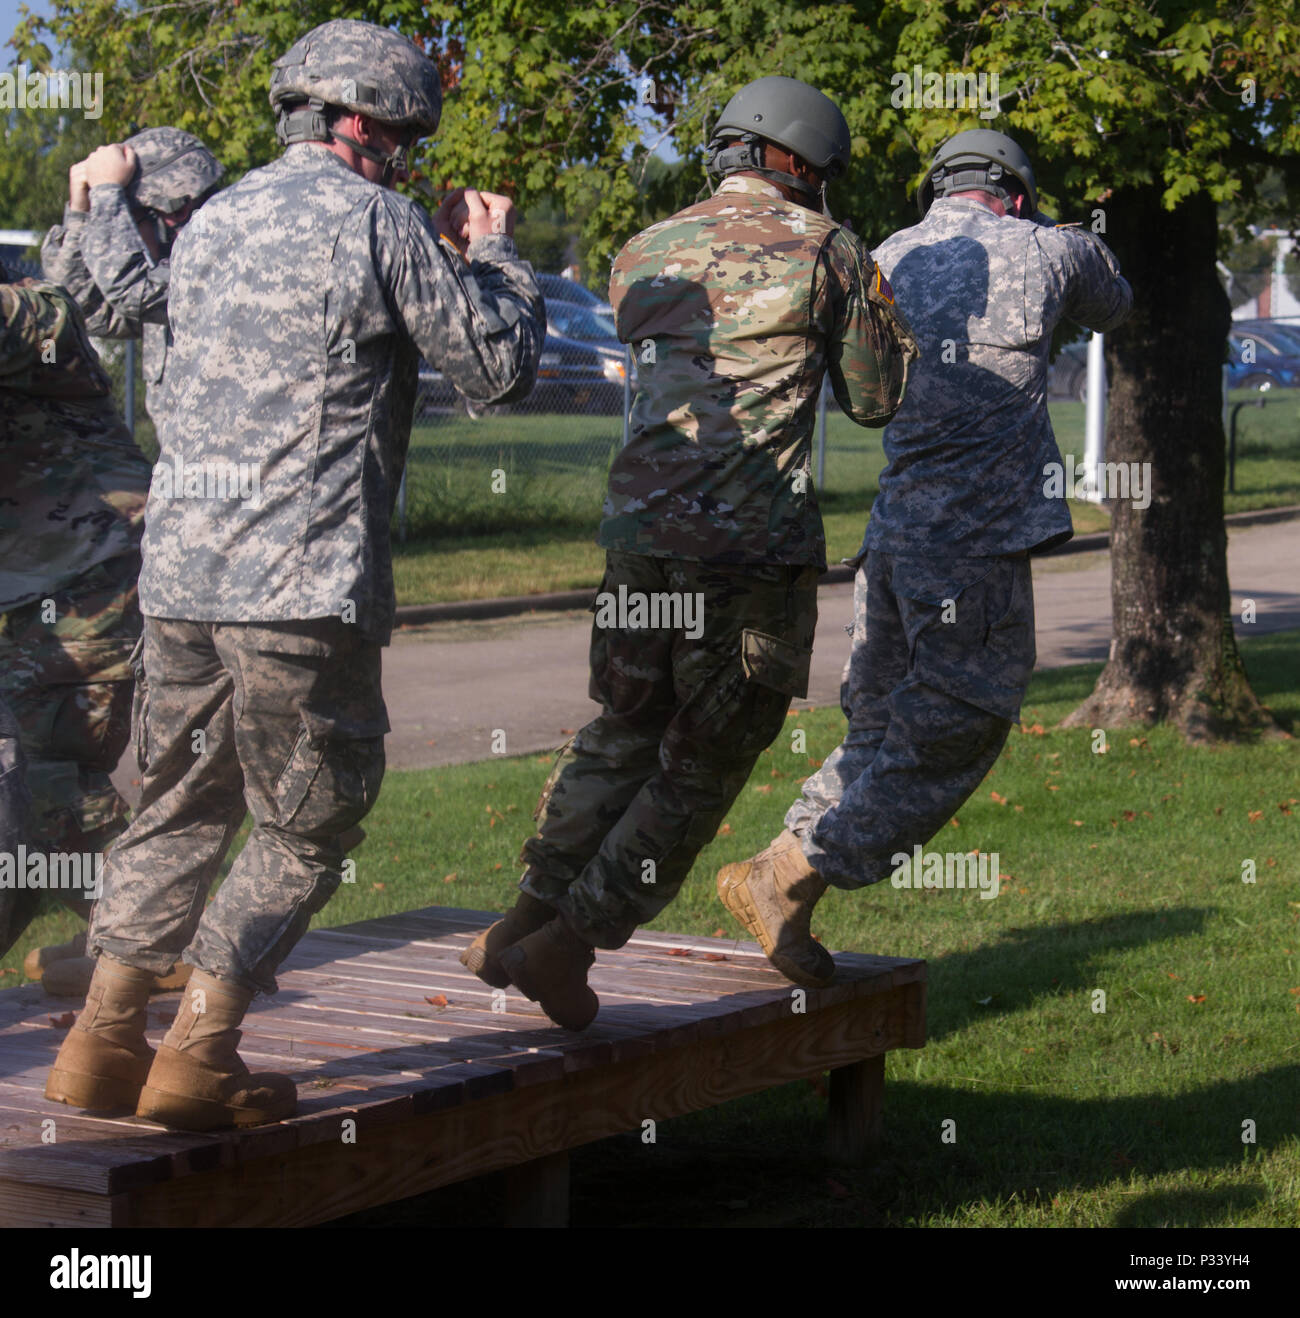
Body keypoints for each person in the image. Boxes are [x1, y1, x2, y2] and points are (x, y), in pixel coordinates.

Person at [46, 17, 544, 1130]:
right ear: (362, 122)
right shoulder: (378, 221)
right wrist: (491, 253)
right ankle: (200, 1053)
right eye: (406, 136)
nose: (410, 157)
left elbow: (124, 304)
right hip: (302, 582)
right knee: (311, 816)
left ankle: (100, 1043)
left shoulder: (214, 218)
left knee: (174, 804)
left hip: (180, 575)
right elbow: (497, 370)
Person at [462, 75, 916, 1030]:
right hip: (743, 551)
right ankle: (569, 943)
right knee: (705, 758)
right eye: (824, 170)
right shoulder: (829, 251)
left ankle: (521, 921)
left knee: (622, 728)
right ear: (796, 159)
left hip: (638, 535)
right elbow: (876, 399)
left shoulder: (646, 247)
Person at [716, 130, 1133, 985]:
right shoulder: (1046, 249)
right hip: (973, 546)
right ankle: (792, 872)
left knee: (877, 727)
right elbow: (1114, 300)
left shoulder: (877, 256)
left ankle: (778, 877)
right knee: (959, 723)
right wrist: (1063, 232)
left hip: (893, 538)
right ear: (1013, 193)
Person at [0, 260, 162, 983]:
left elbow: (43, 321)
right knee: (37, 779)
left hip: (90, 579)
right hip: (44, 587)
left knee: (53, 776)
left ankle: (147, 939)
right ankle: (118, 935)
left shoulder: (39, 318)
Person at [41, 127, 224, 422]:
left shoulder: (222, 265)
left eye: (130, 221)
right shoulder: (160, 280)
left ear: (174, 214)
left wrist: (107, 194)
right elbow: (76, 308)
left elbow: (131, 290)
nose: (125, 235)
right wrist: (80, 212)